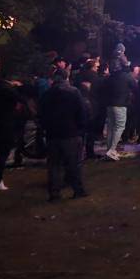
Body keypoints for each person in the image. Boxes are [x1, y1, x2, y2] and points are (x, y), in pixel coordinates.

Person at [39, 68, 89, 201]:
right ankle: (78, 190)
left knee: (54, 165)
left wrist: (46, 128)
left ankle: (54, 194)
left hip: (53, 134)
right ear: (67, 78)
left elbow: (41, 114)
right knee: (74, 164)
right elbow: (82, 112)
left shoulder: (47, 94)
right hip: (71, 133)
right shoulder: (74, 92)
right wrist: (80, 128)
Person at [102, 58, 136, 160]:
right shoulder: (127, 77)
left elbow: (104, 89)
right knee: (119, 127)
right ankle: (112, 150)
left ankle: (109, 150)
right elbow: (135, 88)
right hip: (121, 105)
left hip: (109, 105)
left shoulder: (109, 78)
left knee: (111, 128)